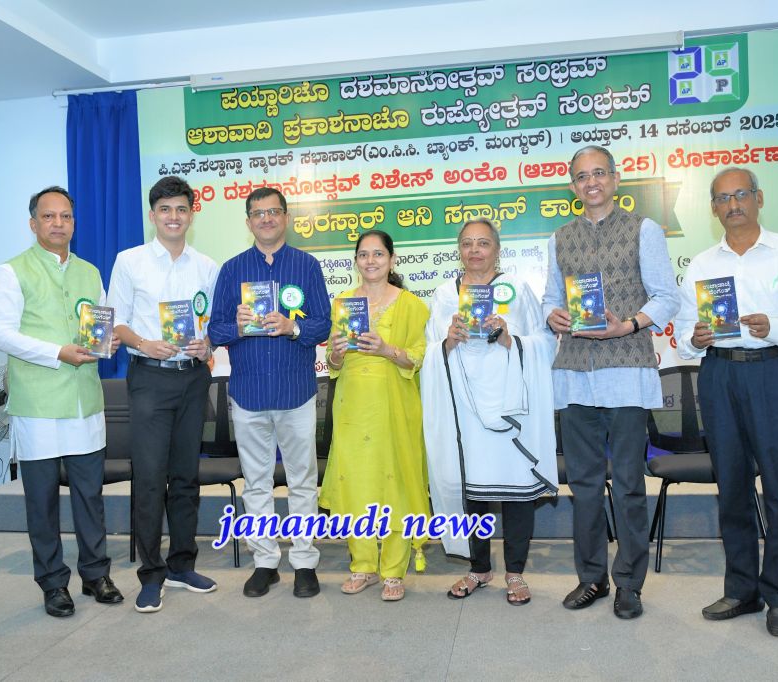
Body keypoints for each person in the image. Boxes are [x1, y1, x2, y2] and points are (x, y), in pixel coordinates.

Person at [675, 167, 778, 637]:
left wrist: (775, 327)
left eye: (741, 194)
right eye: (723, 198)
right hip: (719, 374)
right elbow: (683, 335)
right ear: (713, 209)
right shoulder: (702, 264)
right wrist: (695, 338)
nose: (733, 204)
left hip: (772, 372)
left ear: (759, 199)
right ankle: (742, 588)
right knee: (732, 487)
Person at [541, 146, 679, 619]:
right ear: (573, 187)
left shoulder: (644, 230)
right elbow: (550, 298)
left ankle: (629, 584)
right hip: (575, 377)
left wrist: (631, 324)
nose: (591, 182)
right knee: (583, 485)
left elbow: (667, 297)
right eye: (582, 176)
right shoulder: (559, 238)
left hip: (626, 374)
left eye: (599, 173)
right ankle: (591, 578)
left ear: (616, 180)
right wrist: (553, 315)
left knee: (627, 485)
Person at [0, 186, 123, 617]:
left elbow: (101, 325)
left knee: (90, 497)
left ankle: (96, 575)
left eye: (65, 216)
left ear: (74, 223)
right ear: (33, 224)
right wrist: (56, 352)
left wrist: (108, 343)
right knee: (42, 501)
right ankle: (52, 583)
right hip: (38, 406)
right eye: (49, 216)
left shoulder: (90, 271)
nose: (58, 223)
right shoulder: (11, 271)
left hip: (85, 402)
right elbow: (1, 333)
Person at [421, 218, 558, 605]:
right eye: (467, 243)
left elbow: (544, 343)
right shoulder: (444, 294)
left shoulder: (515, 290)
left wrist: (509, 338)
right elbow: (428, 351)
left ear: (497, 249)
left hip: (510, 408)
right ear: (459, 250)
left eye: (483, 243)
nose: (474, 250)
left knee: (516, 490)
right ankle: (479, 568)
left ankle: (515, 572)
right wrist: (448, 341)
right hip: (463, 409)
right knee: (472, 490)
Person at [208, 187, 331, 598]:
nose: (266, 219)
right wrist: (239, 325)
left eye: (273, 211)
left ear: (286, 218)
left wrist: (293, 326)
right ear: (248, 222)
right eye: (258, 213)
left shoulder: (307, 265)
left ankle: (304, 562)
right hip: (249, 393)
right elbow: (215, 330)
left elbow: (324, 324)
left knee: (302, 481)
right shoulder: (232, 270)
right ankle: (265, 562)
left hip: (296, 391)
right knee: (257, 482)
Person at [108, 177, 219, 613]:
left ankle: (182, 564)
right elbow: (115, 322)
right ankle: (151, 574)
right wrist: (143, 343)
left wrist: (207, 345)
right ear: (153, 215)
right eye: (166, 209)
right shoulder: (130, 261)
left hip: (192, 378)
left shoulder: (207, 266)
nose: (174, 217)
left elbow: (214, 324)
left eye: (181, 209)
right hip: (150, 378)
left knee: (186, 475)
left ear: (192, 214)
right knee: (151, 477)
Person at [318, 229, 430, 602]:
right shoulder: (343, 303)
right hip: (352, 405)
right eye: (363, 254)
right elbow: (333, 364)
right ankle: (363, 566)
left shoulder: (412, 305)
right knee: (355, 481)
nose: (370, 261)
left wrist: (386, 350)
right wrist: (336, 353)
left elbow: (417, 357)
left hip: (394, 403)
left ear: (392, 259)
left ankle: (394, 571)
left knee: (396, 482)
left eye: (378, 254)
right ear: (356, 261)